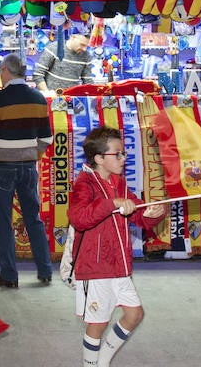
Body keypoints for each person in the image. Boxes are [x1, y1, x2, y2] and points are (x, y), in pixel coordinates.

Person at [67, 126, 167, 367]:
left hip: (120, 266)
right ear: (99, 159)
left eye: (123, 154)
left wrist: (152, 213)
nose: (123, 159)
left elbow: (138, 215)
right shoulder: (84, 184)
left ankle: (101, 362)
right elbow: (78, 218)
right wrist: (111, 203)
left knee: (134, 315)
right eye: (118, 154)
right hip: (95, 266)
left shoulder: (119, 183)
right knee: (98, 324)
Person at [0, 53, 54, 288]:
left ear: (4, 71)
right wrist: (33, 155)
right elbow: (47, 138)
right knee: (33, 218)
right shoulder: (39, 98)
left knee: (4, 221)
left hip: (3, 167)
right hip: (28, 167)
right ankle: (45, 270)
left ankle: (9, 275)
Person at [33, 23, 94, 94]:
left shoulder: (86, 56)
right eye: (82, 44)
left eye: (87, 46)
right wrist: (48, 94)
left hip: (72, 100)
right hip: (50, 99)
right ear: (73, 37)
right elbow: (38, 74)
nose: (84, 49)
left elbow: (88, 81)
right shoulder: (54, 49)